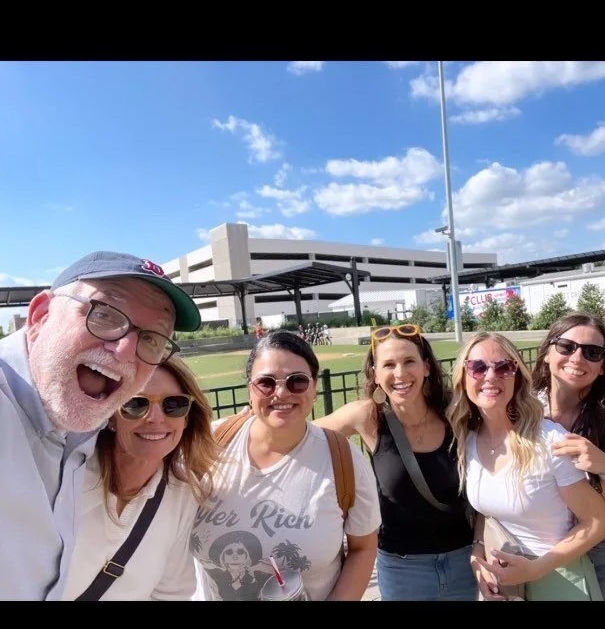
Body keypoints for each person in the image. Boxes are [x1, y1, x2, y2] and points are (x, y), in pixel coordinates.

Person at [0, 251, 201, 600]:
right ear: (41, 316)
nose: (125, 350)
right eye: (105, 314)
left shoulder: (80, 430)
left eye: (151, 339)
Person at [191, 330, 380, 600]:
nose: (280, 392)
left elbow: (363, 547)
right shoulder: (208, 444)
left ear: (314, 388)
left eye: (297, 382)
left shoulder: (344, 460)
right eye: (266, 383)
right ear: (250, 388)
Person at [317, 324, 478, 600]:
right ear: (375, 374)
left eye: (409, 361)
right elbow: (299, 434)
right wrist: (249, 421)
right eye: (389, 364)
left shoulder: (456, 411)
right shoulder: (368, 417)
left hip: (463, 562)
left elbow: (507, 422)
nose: (400, 373)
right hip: (402, 569)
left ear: (426, 367)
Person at [448, 332, 605, 600]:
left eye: (504, 367)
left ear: (517, 377)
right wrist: (478, 555)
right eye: (478, 367)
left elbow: (597, 521)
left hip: (560, 580)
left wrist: (536, 569)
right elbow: (489, 512)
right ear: (463, 378)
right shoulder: (468, 440)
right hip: (509, 585)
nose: (491, 376)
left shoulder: (549, 441)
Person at [62, 356, 217, 601]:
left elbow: (171, 593)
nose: (155, 418)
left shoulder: (182, 492)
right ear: (111, 416)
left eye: (173, 404)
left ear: (186, 418)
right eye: (135, 404)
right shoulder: (67, 478)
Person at [531, 315, 605, 600]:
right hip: (544, 540)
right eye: (566, 346)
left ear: (603, 366)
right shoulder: (525, 409)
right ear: (547, 353)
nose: (577, 358)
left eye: (592, 352)